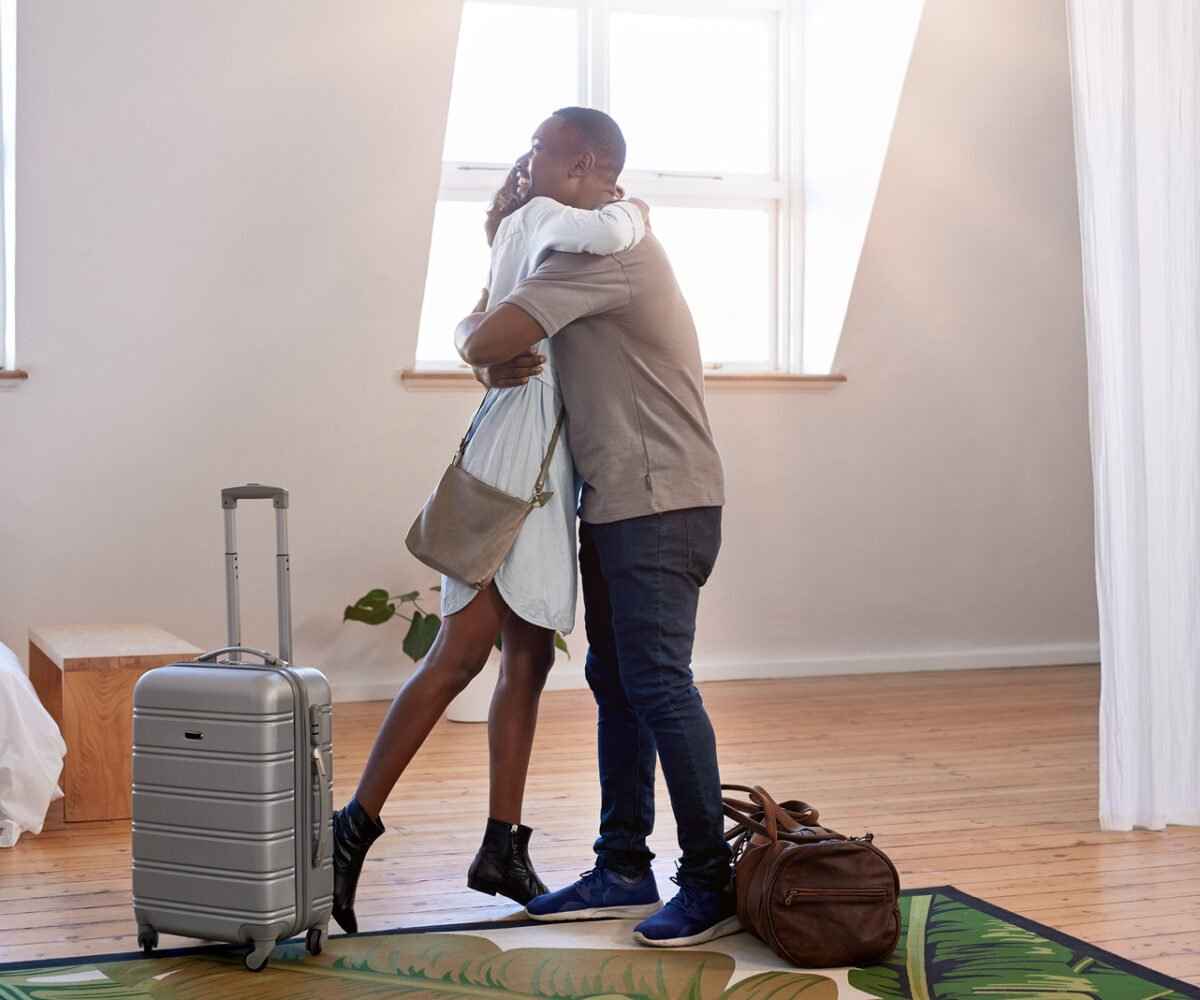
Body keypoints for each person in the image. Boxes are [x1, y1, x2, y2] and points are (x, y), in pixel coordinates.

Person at [329, 129, 649, 935]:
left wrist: (477, 356)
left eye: (544, 148)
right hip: (519, 463)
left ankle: (501, 844)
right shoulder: (548, 215)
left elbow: (474, 320)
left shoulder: (528, 222)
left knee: (531, 656)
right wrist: (635, 206)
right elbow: (608, 235)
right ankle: (349, 831)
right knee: (462, 653)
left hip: (532, 452)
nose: (529, 160)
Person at [457, 107, 735, 949]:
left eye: (535, 147)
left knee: (657, 683)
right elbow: (482, 331)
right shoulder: (592, 241)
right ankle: (622, 867)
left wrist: (484, 338)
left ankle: (709, 882)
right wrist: (483, 332)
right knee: (620, 685)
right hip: (621, 502)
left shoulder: (604, 252)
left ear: (579, 163)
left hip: (661, 505)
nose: (521, 159)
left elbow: (489, 331)